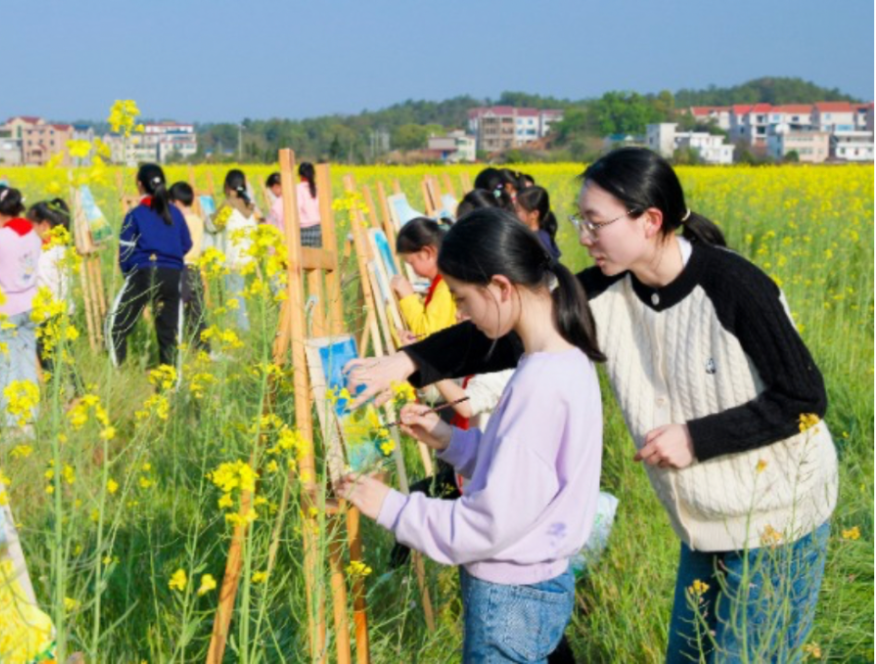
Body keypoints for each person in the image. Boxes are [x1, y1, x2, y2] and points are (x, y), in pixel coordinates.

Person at [346, 147, 839, 663]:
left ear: (649, 221)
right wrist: (409, 361)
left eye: (595, 222)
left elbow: (803, 398)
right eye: (581, 220)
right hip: (703, 521)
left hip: (779, 520)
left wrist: (697, 437)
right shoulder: (605, 292)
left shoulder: (737, 287)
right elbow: (509, 326)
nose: (582, 236)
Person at [338, 208, 604, 663]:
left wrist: (391, 507)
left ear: (501, 287)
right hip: (537, 585)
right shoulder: (564, 361)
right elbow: (527, 478)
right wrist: (451, 441)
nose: (460, 313)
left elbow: (487, 523)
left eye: (462, 299)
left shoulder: (540, 383)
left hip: (509, 596)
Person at [107, 164, 192, 369]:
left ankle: (118, 375)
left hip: (144, 273)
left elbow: (125, 251)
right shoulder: (175, 213)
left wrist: (130, 275)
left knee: (116, 326)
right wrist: (170, 259)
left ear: (139, 184)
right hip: (173, 275)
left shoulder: (135, 214)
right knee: (170, 333)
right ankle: (172, 384)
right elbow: (186, 244)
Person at [0, 184, 42, 429]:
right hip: (29, 307)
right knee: (26, 368)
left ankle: (14, 431)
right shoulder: (31, 234)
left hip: (2, 312)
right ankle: (30, 422)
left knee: (5, 372)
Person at [26, 198, 80, 381]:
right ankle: (74, 396)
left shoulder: (45, 255)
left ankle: (70, 400)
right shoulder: (62, 248)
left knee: (56, 367)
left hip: (48, 317)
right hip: (63, 314)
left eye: (30, 223)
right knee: (64, 362)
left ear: (44, 225)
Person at [391, 217, 457, 339]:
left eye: (411, 263)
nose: (412, 270)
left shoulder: (445, 287)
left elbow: (426, 334)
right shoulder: (446, 278)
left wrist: (408, 297)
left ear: (427, 253)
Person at [212, 169, 260, 331]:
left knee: (235, 297)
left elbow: (213, 225)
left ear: (227, 186)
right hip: (248, 258)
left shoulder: (228, 204)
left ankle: (242, 331)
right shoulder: (249, 205)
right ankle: (241, 328)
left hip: (233, 259)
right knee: (239, 295)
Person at [168, 182, 209, 347]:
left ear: (176, 202)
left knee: (177, 308)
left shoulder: (180, 221)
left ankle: (174, 343)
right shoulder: (198, 220)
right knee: (197, 310)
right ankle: (203, 346)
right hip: (195, 267)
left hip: (182, 268)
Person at [515, 185, 561, 260]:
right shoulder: (530, 235)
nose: (513, 213)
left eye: (517, 210)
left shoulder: (540, 242)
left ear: (534, 214)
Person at [297, 162, 322, 247]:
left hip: (303, 231)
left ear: (299, 175)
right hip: (318, 230)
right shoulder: (319, 188)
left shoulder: (297, 189)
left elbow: (297, 209)